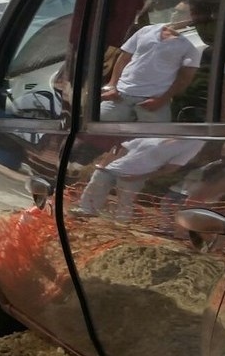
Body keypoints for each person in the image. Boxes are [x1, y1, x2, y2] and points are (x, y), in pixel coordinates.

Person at [75, 137, 205, 221]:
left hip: (135, 175)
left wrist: (140, 177)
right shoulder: (159, 133)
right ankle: (86, 210)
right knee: (94, 187)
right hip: (114, 167)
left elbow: (171, 168)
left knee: (125, 201)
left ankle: (120, 224)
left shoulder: (194, 143)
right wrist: (105, 163)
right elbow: (123, 147)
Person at [100, 21, 201, 122]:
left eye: (181, 12)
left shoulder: (190, 45)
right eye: (176, 10)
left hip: (154, 100)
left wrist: (162, 100)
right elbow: (124, 58)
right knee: (99, 127)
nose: (175, 14)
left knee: (155, 137)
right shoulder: (146, 31)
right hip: (120, 95)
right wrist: (112, 85)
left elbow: (185, 78)